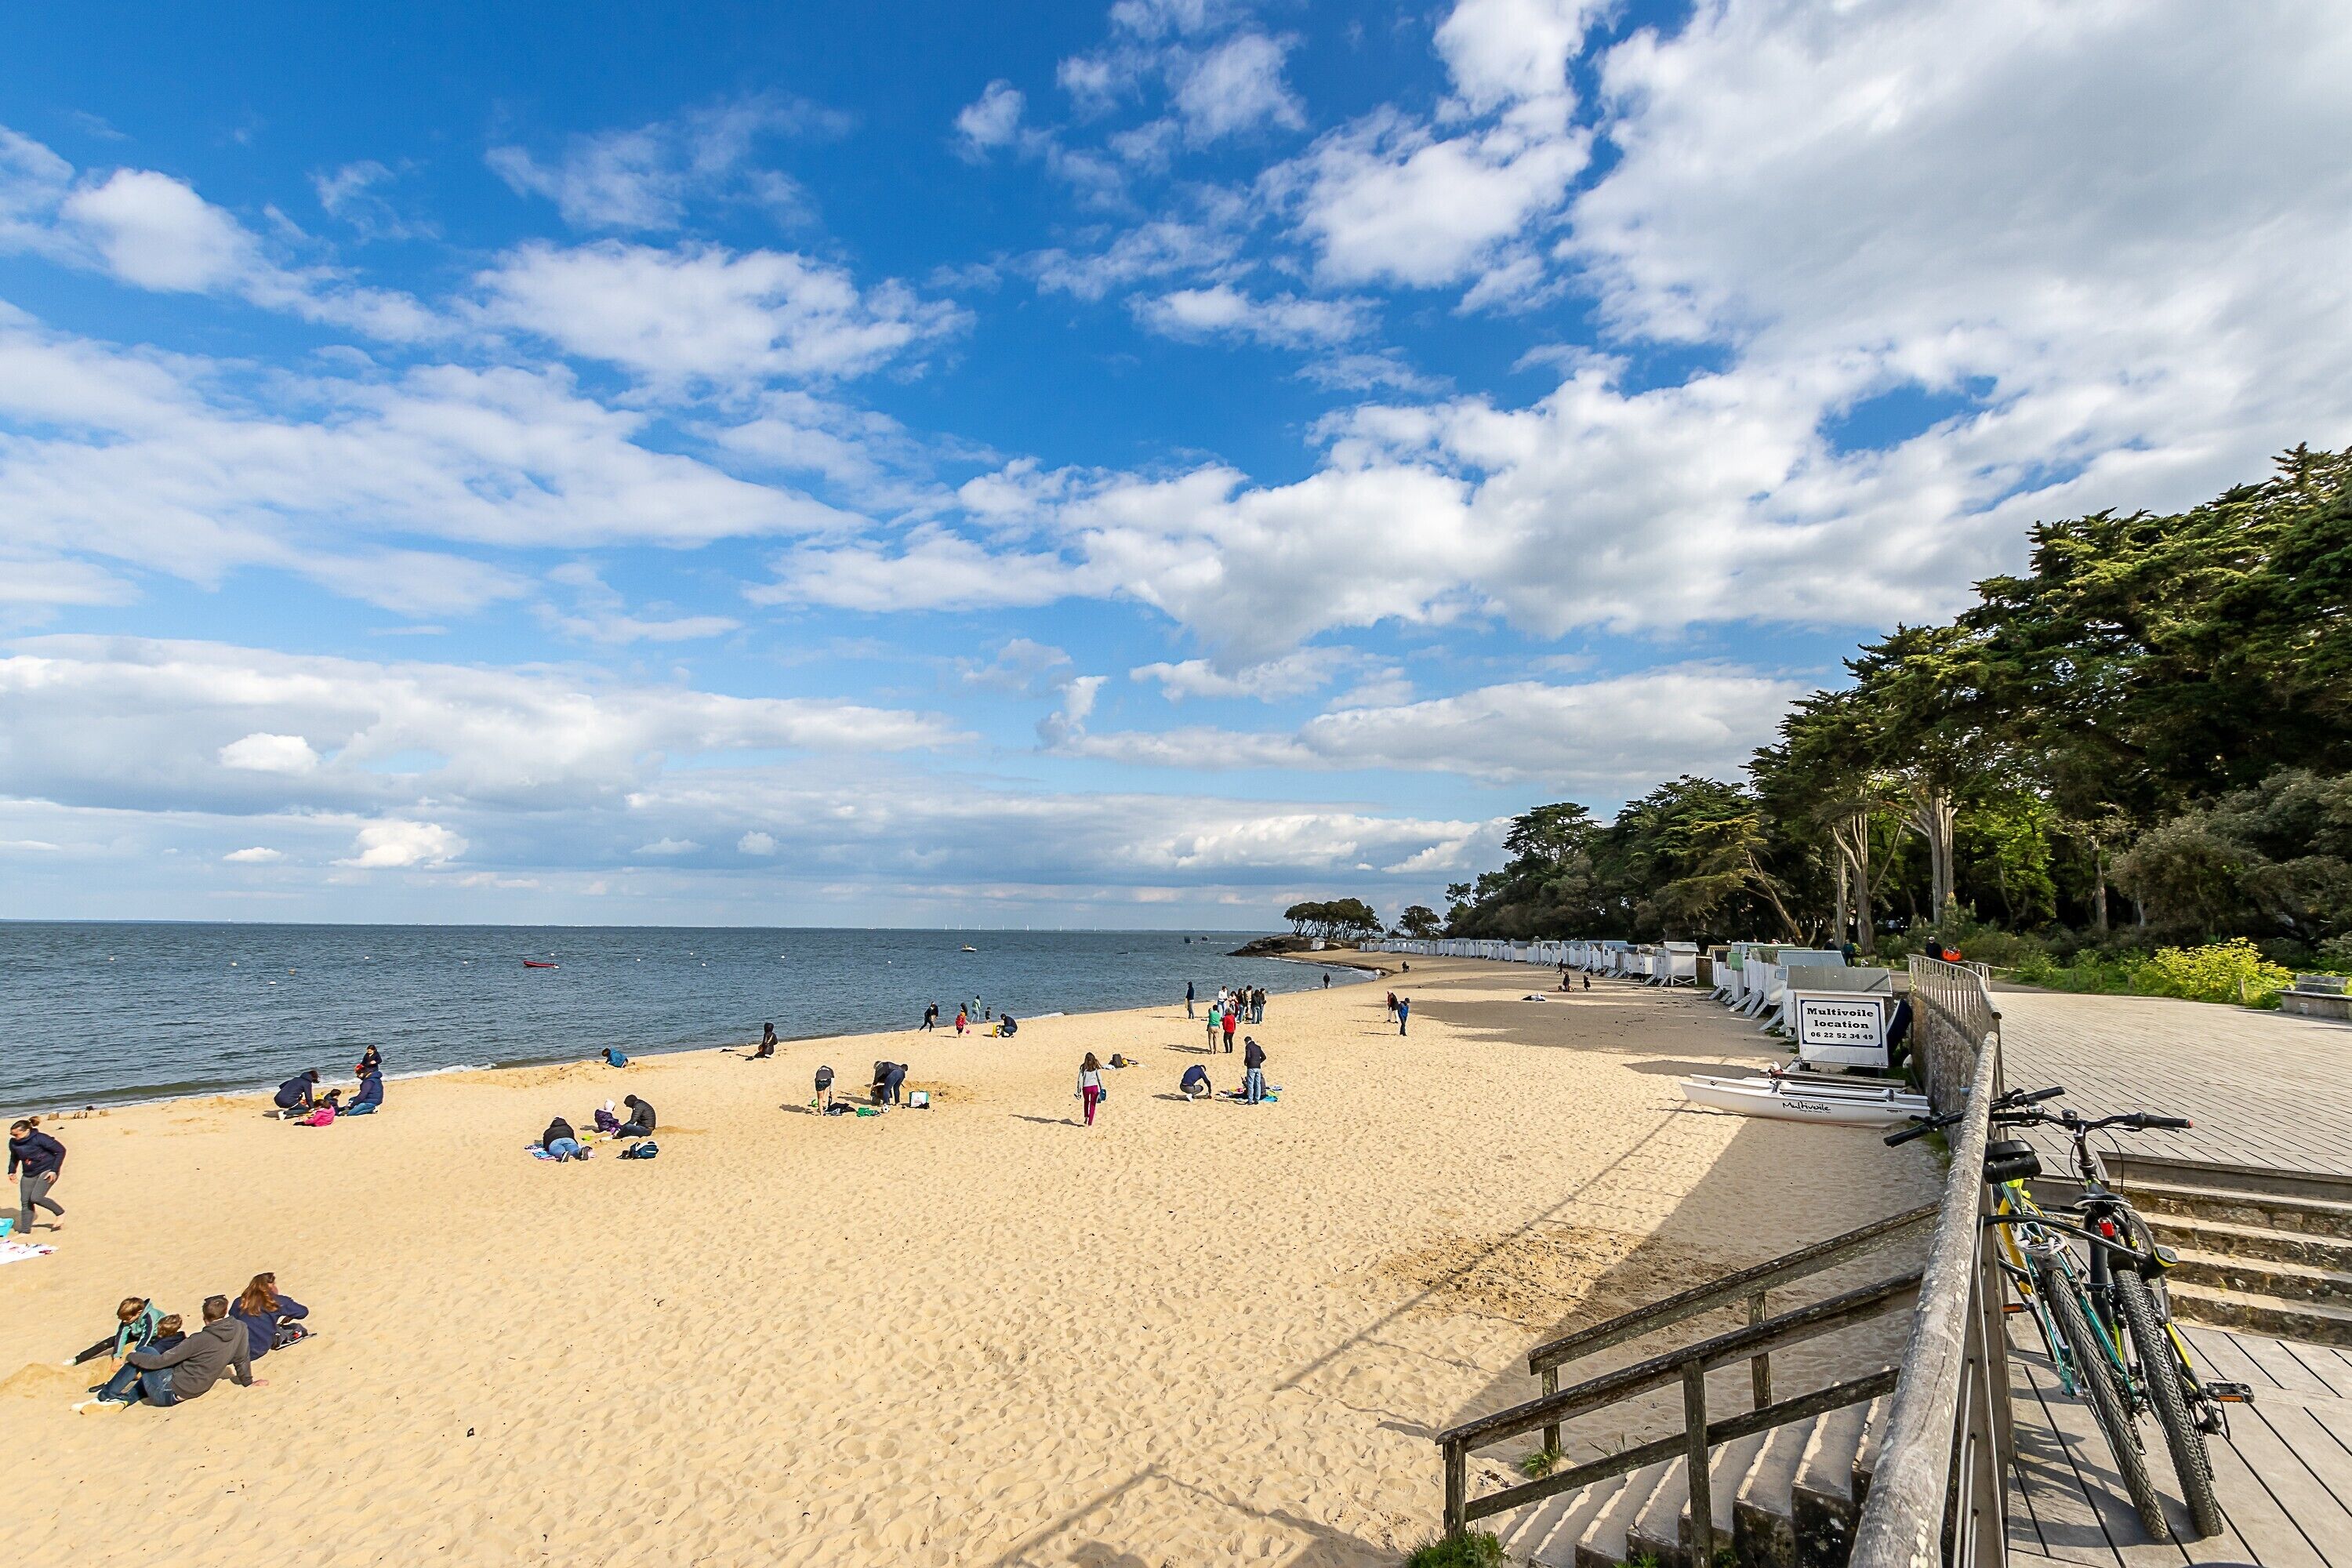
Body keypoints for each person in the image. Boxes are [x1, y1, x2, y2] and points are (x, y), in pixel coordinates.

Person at [123, 1295, 257, 1406]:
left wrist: (131, 1356)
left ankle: (107, 1394)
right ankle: (127, 1397)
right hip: (197, 1389)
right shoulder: (240, 1328)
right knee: (152, 1368)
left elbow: (159, 1362)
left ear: (205, 1319)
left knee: (145, 1351)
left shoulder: (197, 1340)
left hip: (169, 1393)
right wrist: (248, 1381)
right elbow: (242, 1358)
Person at [81, 1312, 183, 1408]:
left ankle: (106, 1394)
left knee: (140, 1358)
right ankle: (124, 1400)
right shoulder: (184, 1340)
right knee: (145, 1380)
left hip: (164, 1385)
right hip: (177, 1383)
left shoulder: (160, 1345)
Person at [230, 1272, 310, 1359]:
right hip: (260, 1348)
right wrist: (290, 1316)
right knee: (291, 1329)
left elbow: (233, 1318)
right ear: (270, 1286)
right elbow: (303, 1312)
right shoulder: (276, 1301)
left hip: (238, 1349)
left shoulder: (239, 1302)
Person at [9, 1117, 66, 1236]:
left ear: (26, 1131)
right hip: (29, 1173)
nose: (15, 1137)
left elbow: (61, 1150)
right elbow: (14, 1157)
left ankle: (60, 1213)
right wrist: (11, 1171)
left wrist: (54, 1170)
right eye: (12, 1134)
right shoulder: (14, 1143)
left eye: (17, 1134)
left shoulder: (40, 1138)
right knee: (25, 1202)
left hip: (47, 1170)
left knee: (36, 1198)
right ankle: (25, 1231)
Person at [1076, 1053, 1105, 1126]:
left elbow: (1080, 1080)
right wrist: (1102, 1088)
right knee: (1093, 1105)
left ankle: (1086, 1117)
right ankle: (1090, 1122)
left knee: (1086, 1102)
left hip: (1086, 1087)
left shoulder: (1083, 1067)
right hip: (1094, 1087)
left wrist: (1078, 1091)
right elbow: (1099, 1079)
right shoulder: (1095, 1066)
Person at [1243, 1036, 1268, 1104]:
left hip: (1251, 1067)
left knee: (1250, 1084)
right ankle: (1257, 1099)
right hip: (1258, 1067)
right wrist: (1259, 1062)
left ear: (1246, 1042)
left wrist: (1246, 1062)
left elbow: (1248, 1056)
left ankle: (1250, 1100)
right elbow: (1264, 1057)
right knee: (1258, 1084)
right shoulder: (1258, 1047)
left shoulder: (1248, 1047)